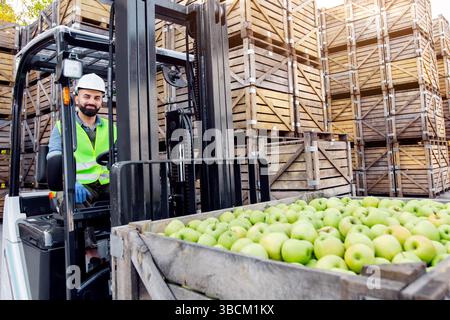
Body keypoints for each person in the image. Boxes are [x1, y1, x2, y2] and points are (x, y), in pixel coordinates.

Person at [47, 73, 117, 205]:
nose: (92, 101)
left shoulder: (111, 127)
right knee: (72, 203)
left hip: (106, 184)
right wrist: (70, 181)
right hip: (77, 184)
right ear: (77, 98)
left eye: (97, 98)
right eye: (87, 96)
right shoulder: (62, 126)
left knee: (134, 197)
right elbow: (55, 157)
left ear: (101, 101)